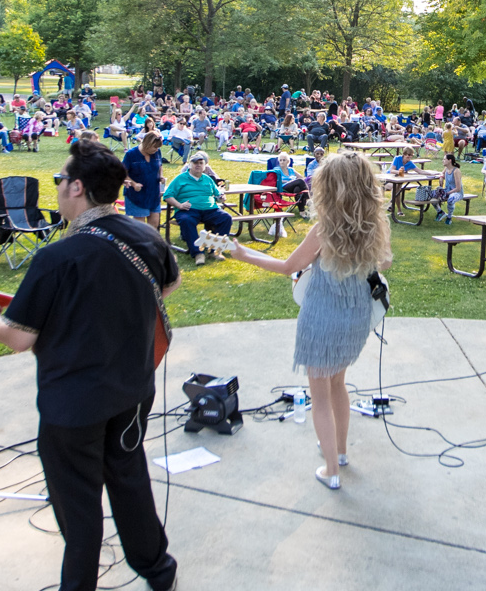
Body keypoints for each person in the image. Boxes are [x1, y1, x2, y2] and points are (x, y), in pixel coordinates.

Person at [0, 139, 180, 591]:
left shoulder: (57, 256)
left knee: (78, 502)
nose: (59, 188)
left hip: (73, 404)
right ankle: (158, 569)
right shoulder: (145, 236)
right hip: (131, 391)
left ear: (79, 188)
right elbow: (166, 287)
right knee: (129, 480)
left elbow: (19, 337)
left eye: (62, 181)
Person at [226, 155, 392, 490]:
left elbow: (288, 267)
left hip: (322, 318)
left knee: (319, 396)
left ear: (330, 189)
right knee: (338, 385)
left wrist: (244, 254)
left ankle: (331, 470)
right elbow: (383, 263)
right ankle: (341, 453)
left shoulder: (324, 229)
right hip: (356, 317)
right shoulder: (375, 225)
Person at [165, 152, 233, 265]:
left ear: (205, 166)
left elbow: (217, 194)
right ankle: (198, 253)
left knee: (226, 218)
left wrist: (221, 197)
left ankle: (215, 250)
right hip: (188, 209)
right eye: (195, 163)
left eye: (201, 163)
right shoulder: (180, 178)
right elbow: (168, 195)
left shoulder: (207, 179)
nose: (198, 165)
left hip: (209, 209)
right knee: (187, 220)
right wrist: (179, 205)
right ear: (189, 165)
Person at [122, 131, 165, 228]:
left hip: (153, 193)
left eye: (158, 148)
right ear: (147, 144)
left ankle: (152, 242)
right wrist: (134, 184)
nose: (156, 150)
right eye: (154, 147)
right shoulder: (131, 155)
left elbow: (160, 166)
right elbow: (122, 173)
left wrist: (161, 176)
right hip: (137, 195)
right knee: (139, 227)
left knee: (154, 223)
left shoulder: (157, 152)